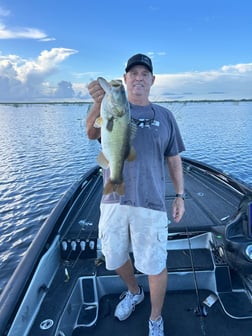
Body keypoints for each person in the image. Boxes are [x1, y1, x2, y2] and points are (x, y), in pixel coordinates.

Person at [86, 53, 185, 336]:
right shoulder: (110, 107)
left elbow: (174, 158)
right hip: (113, 200)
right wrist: (96, 102)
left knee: (155, 263)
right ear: (126, 78)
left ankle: (155, 318)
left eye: (145, 74)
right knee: (114, 258)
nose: (138, 78)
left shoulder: (165, 116)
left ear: (152, 80)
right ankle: (134, 291)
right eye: (133, 74)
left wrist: (179, 195)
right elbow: (91, 134)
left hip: (151, 202)